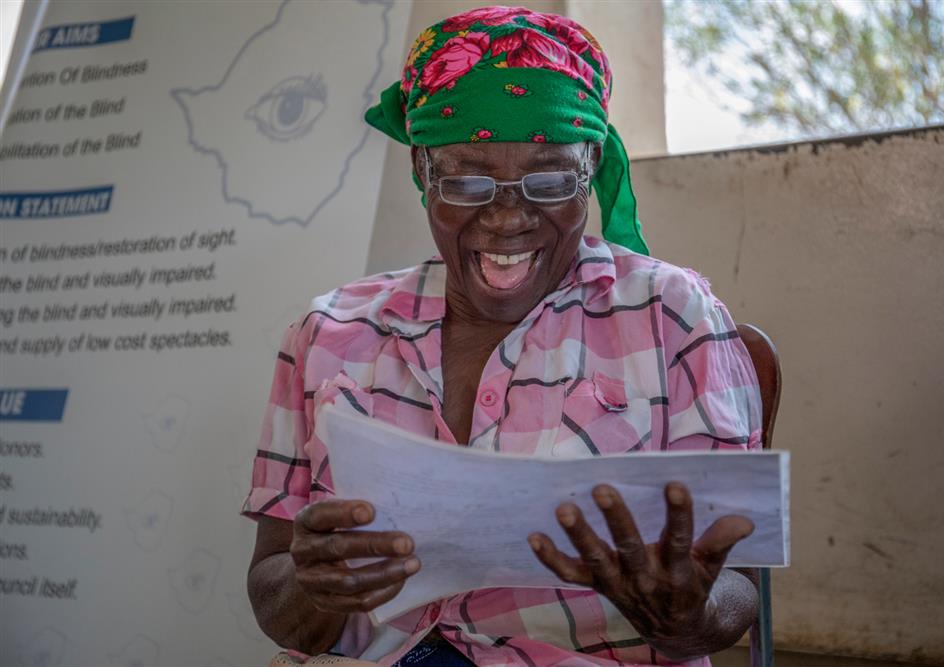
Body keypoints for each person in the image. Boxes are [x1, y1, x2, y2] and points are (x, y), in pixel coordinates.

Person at [245, 7, 763, 666]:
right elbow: (273, 598)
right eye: (466, 179)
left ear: (591, 165)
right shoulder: (326, 333)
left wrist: (688, 612)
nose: (507, 215)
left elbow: (736, 589)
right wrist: (319, 588)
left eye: (548, 178)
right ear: (422, 172)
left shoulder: (673, 317)